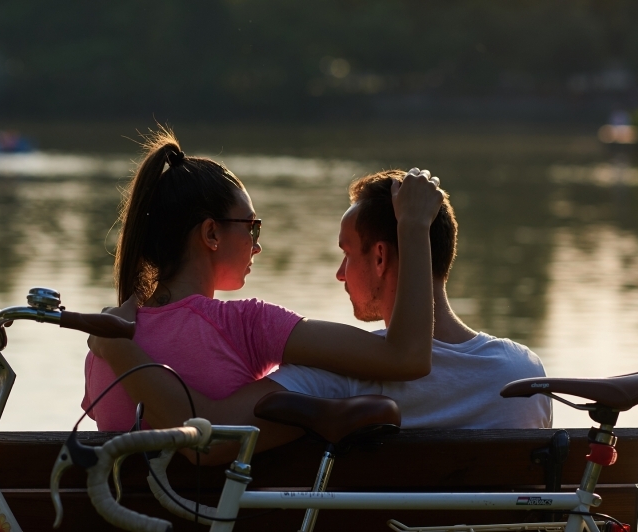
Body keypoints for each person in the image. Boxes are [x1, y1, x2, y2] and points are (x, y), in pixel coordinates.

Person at [82, 127, 444, 442]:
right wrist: (412, 225)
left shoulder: (99, 352)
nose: (257, 245)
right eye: (252, 226)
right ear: (211, 234)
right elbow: (406, 357)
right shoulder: (246, 325)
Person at [267, 170, 551, 429]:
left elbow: (237, 427)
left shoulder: (342, 374)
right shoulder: (523, 374)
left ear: (380, 257)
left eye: (347, 253)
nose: (341, 274)